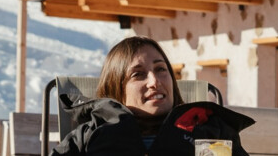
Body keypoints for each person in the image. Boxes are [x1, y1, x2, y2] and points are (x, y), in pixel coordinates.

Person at [53, 36, 254, 156]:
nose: (154, 81)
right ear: (116, 87)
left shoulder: (210, 129)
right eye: (138, 74)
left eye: (160, 69)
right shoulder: (91, 134)